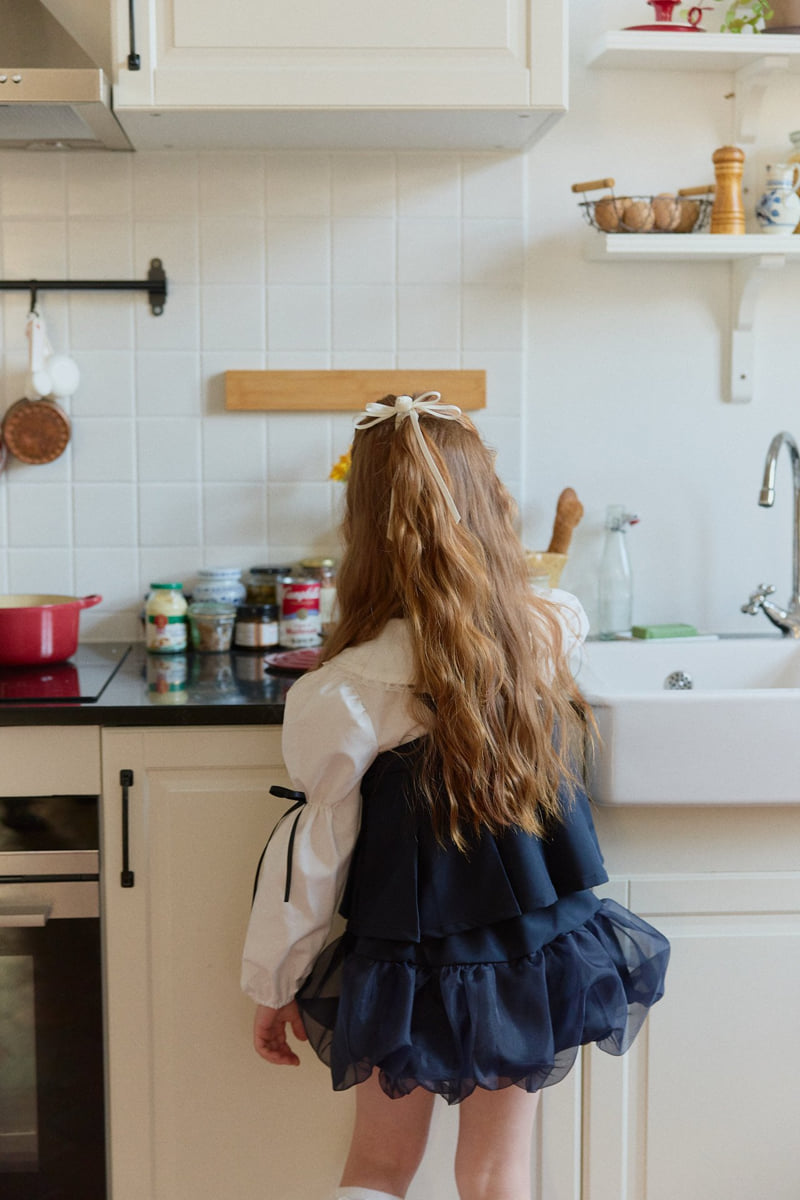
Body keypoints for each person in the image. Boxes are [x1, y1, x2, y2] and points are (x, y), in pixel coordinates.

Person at [241, 392, 670, 1200]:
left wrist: (276, 981)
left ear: (362, 523)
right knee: (496, 1170)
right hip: (530, 952)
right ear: (489, 506)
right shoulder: (547, 631)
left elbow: (316, 850)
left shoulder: (345, 690)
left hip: (404, 958)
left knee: (377, 1166)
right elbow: (549, 604)